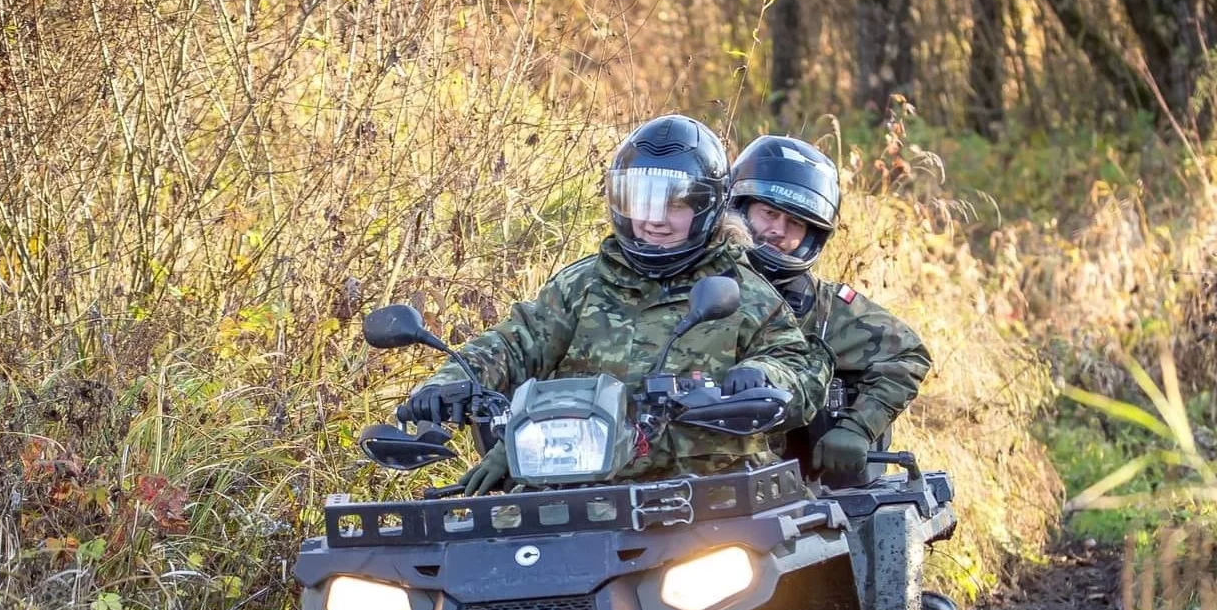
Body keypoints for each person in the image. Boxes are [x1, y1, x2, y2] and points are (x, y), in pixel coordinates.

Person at [397, 115, 829, 494]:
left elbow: (800, 366)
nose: (654, 219)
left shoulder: (744, 291)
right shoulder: (582, 284)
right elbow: (515, 341)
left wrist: (760, 377)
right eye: (641, 201)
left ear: (707, 206)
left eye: (675, 205)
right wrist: (450, 382)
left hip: (710, 495)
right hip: (577, 491)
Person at [729, 134, 931, 486]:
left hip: (783, 491)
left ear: (811, 234)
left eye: (795, 223)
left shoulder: (825, 309)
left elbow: (908, 354)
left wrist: (857, 426)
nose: (778, 230)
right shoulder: (691, 279)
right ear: (741, 208)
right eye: (769, 213)